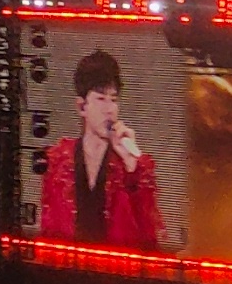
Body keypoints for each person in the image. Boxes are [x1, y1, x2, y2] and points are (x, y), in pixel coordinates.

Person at [40, 50, 165, 250]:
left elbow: (148, 240)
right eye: (101, 99)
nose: (110, 109)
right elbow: (49, 231)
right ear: (82, 107)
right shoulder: (58, 160)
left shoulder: (135, 168)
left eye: (113, 99)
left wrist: (131, 168)